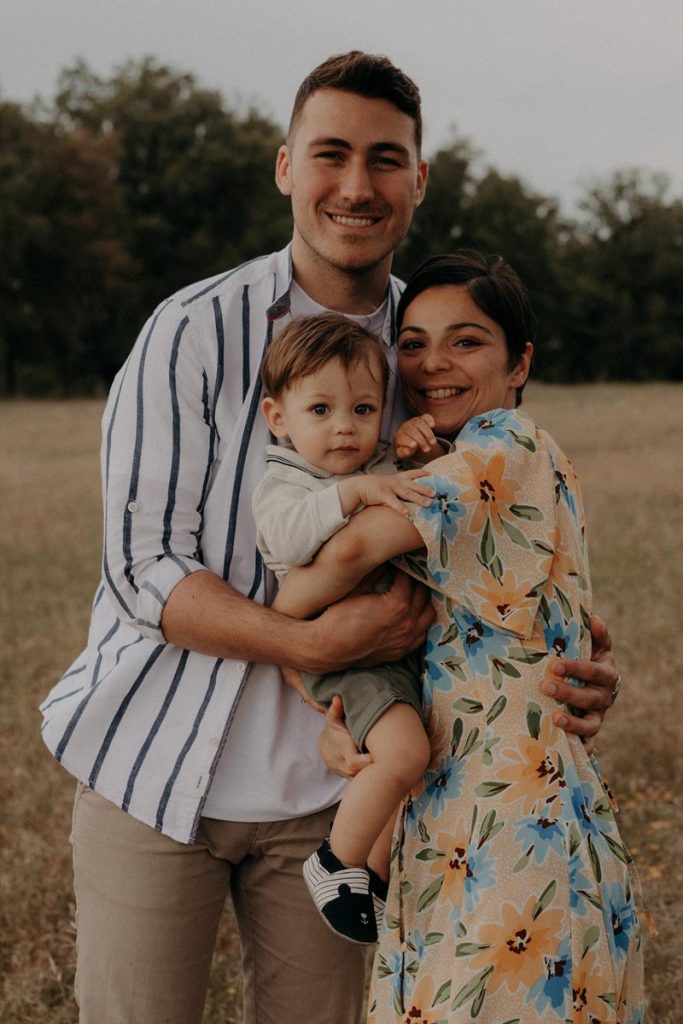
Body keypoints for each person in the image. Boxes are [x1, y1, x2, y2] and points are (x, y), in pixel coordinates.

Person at [38, 51, 621, 1024]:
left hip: (342, 789)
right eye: (330, 154)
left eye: (385, 158)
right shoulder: (191, 330)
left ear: (418, 179)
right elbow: (145, 569)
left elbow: (498, 530)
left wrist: (572, 654)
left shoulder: (434, 348)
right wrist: (308, 644)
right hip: (156, 767)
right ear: (284, 167)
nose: (356, 185)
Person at [273, 251, 644, 1023]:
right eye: (411, 343)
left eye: (465, 341)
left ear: (520, 362)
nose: (432, 363)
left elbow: (345, 553)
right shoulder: (472, 451)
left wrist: (281, 624)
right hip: (468, 798)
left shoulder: (498, 450)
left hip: (506, 810)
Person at [253, 312, 435, 945]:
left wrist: (418, 447)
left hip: (392, 650)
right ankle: (334, 860)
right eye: (321, 409)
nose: (343, 427)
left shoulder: (373, 462)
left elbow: (418, 490)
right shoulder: (287, 482)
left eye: (363, 409)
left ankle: (375, 880)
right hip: (346, 653)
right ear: (280, 418)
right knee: (404, 754)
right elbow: (286, 538)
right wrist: (357, 493)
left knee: (401, 770)